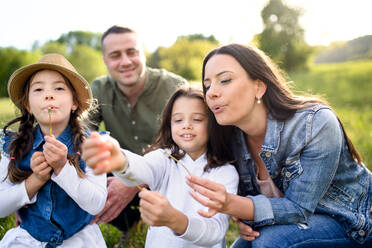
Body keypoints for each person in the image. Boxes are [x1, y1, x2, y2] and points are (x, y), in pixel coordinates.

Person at [185, 44, 372, 247]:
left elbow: (298, 208)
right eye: (207, 85)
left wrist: (233, 205)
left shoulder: (314, 123)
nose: (211, 93)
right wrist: (244, 218)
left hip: (351, 223)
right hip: (292, 225)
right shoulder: (231, 139)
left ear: (259, 87)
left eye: (225, 80)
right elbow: (251, 206)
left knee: (269, 243)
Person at [82, 86, 239, 247]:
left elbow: (215, 231)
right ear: (169, 124)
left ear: (214, 123)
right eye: (178, 120)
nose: (186, 125)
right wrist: (121, 161)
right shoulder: (164, 158)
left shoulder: (225, 172)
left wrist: (175, 220)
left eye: (197, 119)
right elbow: (142, 169)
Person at [0, 54, 107, 248]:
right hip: (30, 240)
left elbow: (96, 203)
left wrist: (62, 168)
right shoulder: (14, 147)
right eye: (39, 89)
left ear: (74, 103)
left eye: (59, 88)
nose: (49, 95)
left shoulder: (92, 145)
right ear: (28, 105)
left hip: (78, 240)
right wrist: (35, 180)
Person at [88, 25, 187, 233]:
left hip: (171, 173)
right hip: (122, 169)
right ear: (105, 60)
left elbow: (191, 147)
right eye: (115, 55)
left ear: (143, 52)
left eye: (131, 52)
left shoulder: (175, 87)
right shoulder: (98, 88)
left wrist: (134, 183)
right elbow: (78, 136)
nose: (125, 62)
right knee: (89, 173)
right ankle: (130, 225)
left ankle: (169, 227)